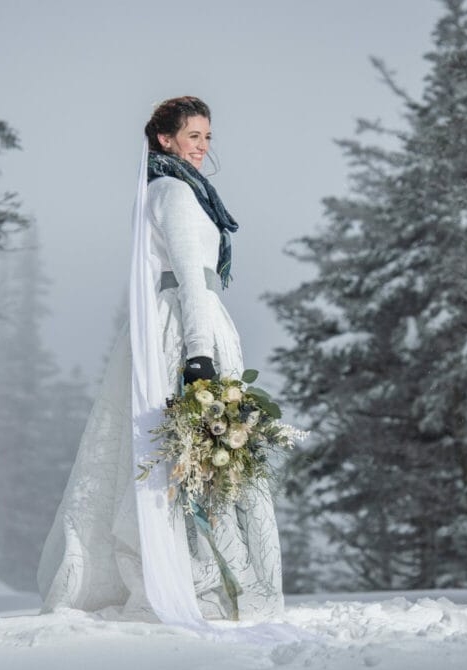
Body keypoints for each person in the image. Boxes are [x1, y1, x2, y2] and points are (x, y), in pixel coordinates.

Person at [37, 96, 284, 624]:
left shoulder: (177, 190)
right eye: (193, 135)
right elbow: (191, 277)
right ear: (165, 139)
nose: (203, 146)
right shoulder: (173, 192)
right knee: (194, 452)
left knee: (197, 454)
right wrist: (199, 353)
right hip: (190, 326)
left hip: (195, 320)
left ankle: (207, 575)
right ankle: (201, 580)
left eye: (208, 137)